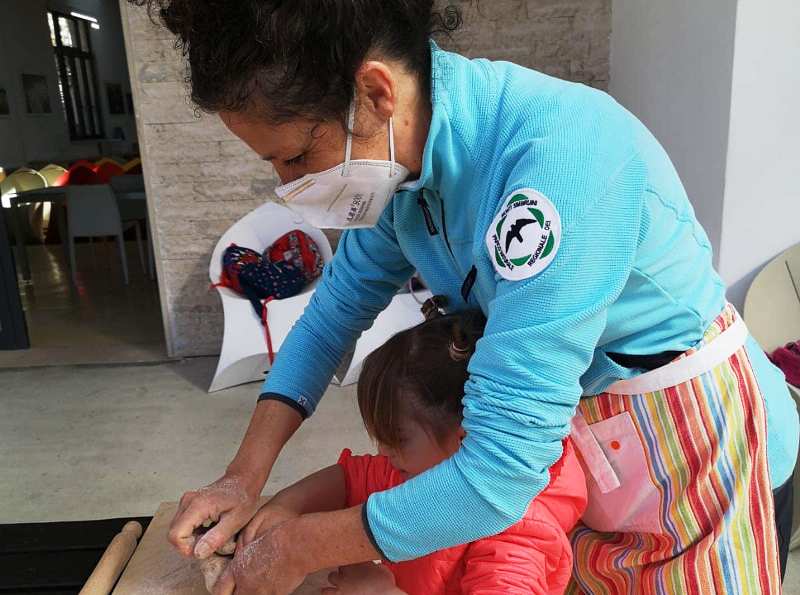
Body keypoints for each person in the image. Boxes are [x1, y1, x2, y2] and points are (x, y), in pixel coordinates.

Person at [134, 1, 799, 593]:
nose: (289, 183)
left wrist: (301, 545)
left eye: (297, 157)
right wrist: (243, 476)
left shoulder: (562, 161)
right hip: (590, 450)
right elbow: (328, 318)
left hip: (702, 454)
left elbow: (498, 474)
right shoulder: (406, 183)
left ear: (374, 93)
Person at [241, 305, 586, 594]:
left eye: (396, 437)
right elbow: (349, 477)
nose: (383, 451)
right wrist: (285, 508)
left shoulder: (518, 534)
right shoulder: (419, 463)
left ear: (467, 438)